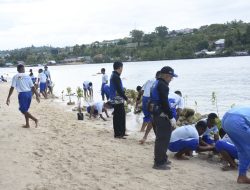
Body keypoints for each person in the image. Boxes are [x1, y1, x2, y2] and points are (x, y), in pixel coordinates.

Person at [150, 66, 177, 170]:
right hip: (161, 115)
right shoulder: (163, 85)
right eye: (171, 77)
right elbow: (165, 103)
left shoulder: (156, 82)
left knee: (162, 138)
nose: (171, 79)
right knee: (162, 139)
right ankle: (159, 163)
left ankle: (163, 158)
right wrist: (171, 117)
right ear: (166, 75)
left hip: (155, 114)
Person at [222, 106, 250, 184]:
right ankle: (242, 176)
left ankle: (242, 177)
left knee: (242, 150)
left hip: (226, 118)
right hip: (237, 120)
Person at [6, 64, 40, 128]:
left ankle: (35, 119)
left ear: (17, 69)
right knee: (25, 109)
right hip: (29, 94)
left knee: (22, 110)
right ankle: (27, 124)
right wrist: (37, 95)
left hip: (23, 94)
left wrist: (8, 97)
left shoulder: (15, 76)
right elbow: (33, 87)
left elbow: (12, 87)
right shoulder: (28, 76)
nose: (24, 69)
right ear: (22, 69)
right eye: (24, 68)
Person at [110, 61, 130, 139]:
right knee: (118, 116)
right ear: (119, 67)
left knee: (121, 115)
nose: (122, 69)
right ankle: (118, 134)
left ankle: (122, 132)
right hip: (116, 99)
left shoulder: (115, 75)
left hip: (117, 99)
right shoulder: (115, 76)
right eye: (122, 68)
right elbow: (119, 90)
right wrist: (126, 98)